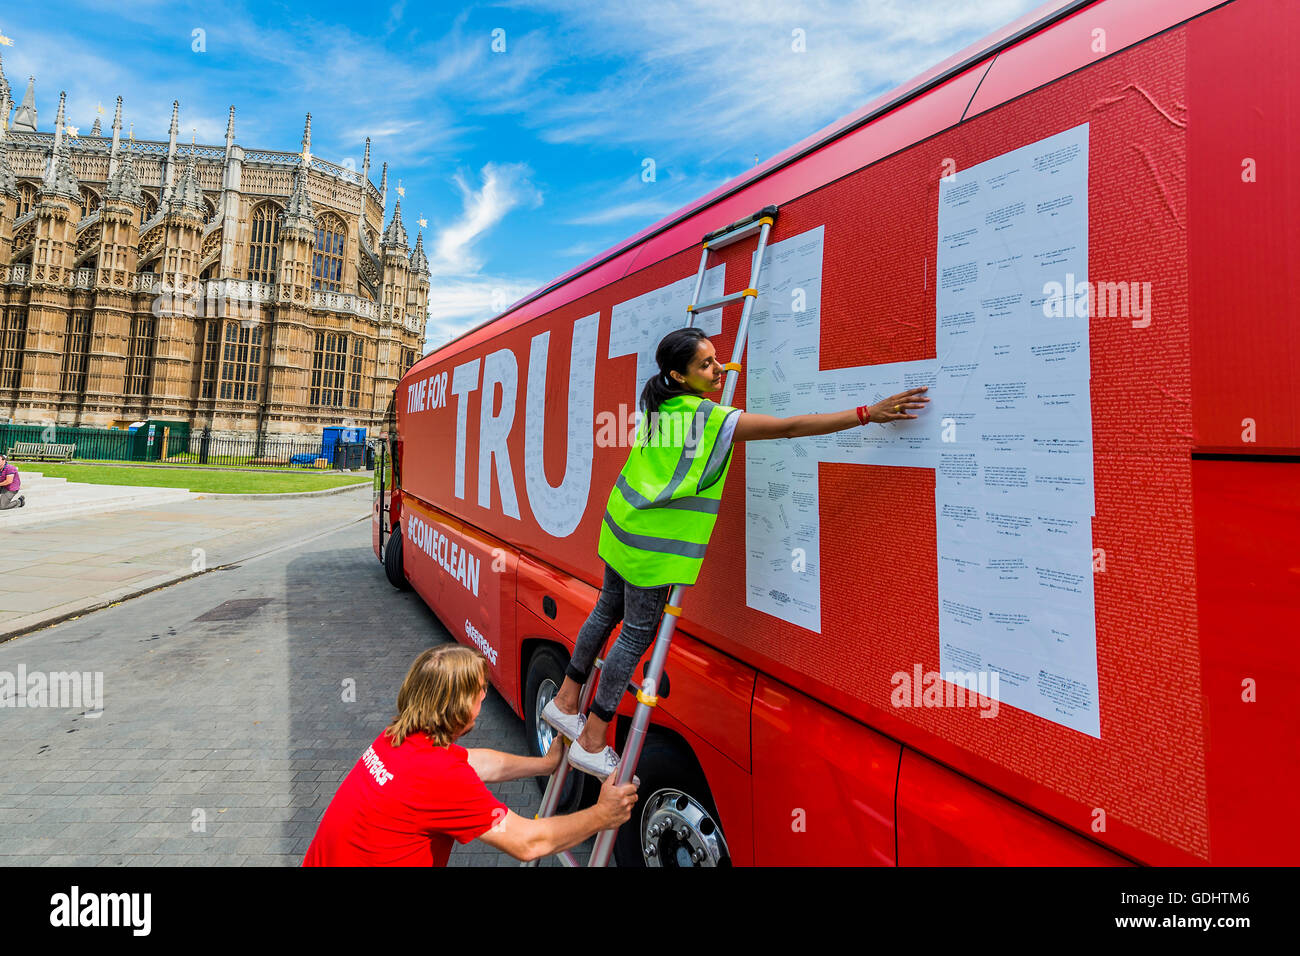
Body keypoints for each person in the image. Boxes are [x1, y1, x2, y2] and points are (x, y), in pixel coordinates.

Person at [544, 326, 930, 779]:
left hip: (620, 528)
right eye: (706, 364)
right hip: (650, 549)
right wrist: (867, 413)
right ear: (678, 375)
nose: (720, 368)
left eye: (718, 358)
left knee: (605, 611)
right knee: (633, 636)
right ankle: (592, 739)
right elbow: (790, 427)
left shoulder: (660, 404)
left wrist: (711, 377)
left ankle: (566, 701)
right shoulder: (710, 418)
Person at [302, 643, 638, 866]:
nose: (482, 702)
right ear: (460, 706)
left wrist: (545, 764)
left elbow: (477, 762)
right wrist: (602, 814)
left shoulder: (397, 737)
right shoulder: (439, 778)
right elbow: (526, 843)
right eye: (481, 694)